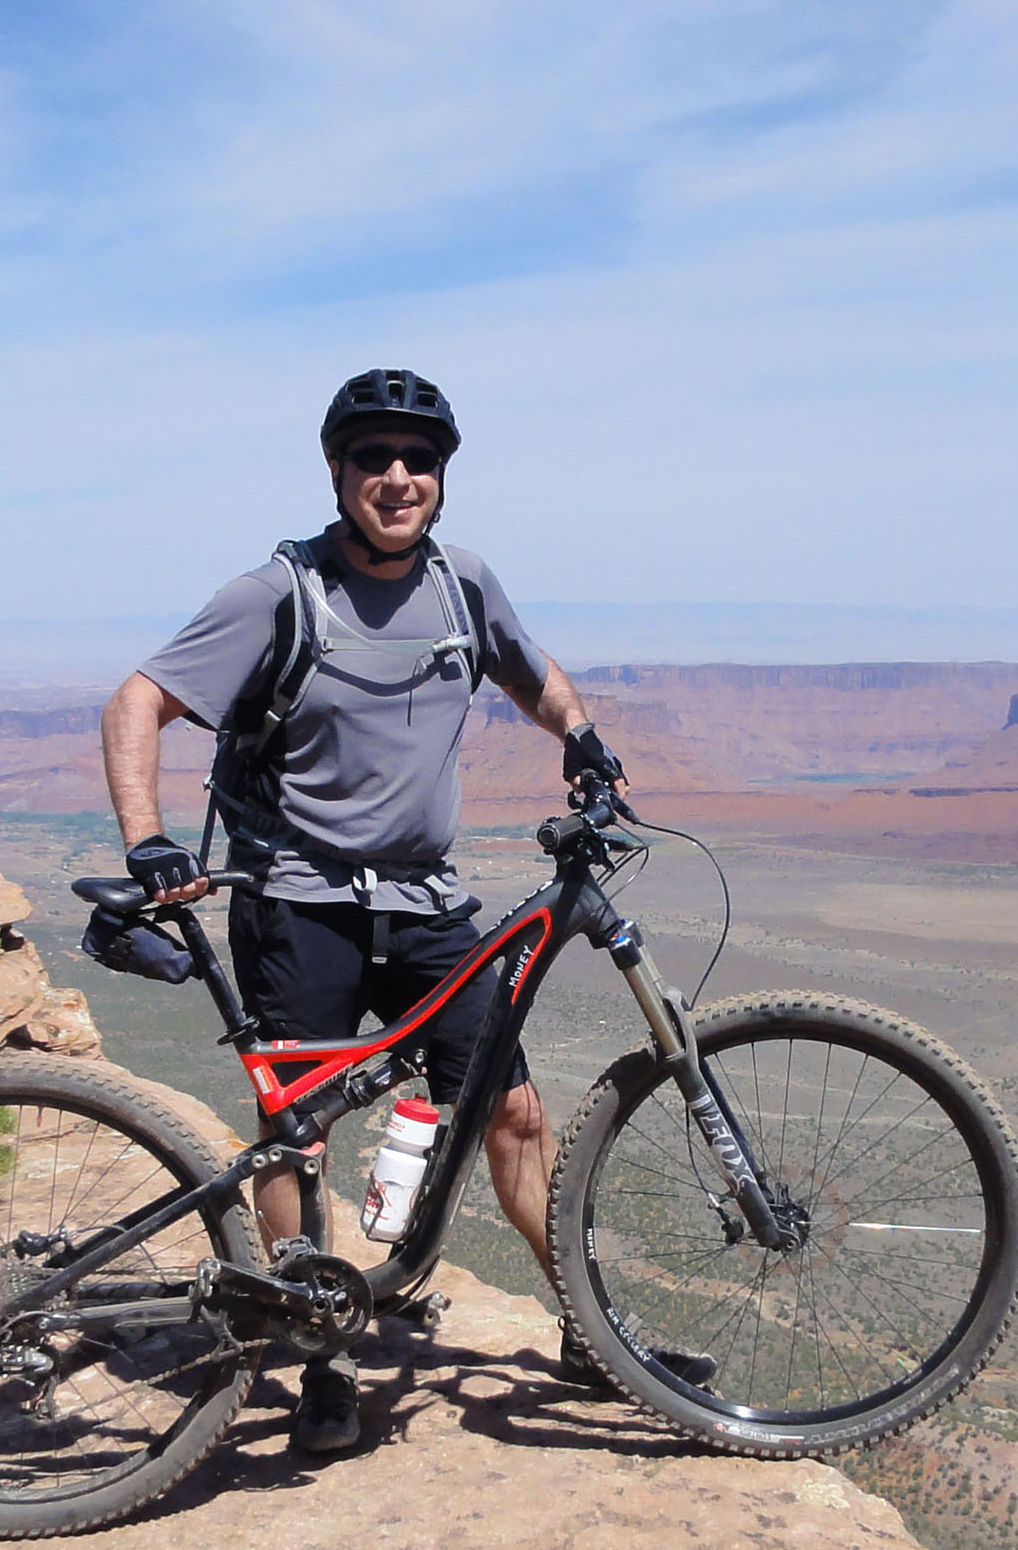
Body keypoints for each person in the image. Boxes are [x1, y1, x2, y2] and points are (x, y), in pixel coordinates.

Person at [99, 368, 626, 1456]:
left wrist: (576, 730)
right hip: (301, 905)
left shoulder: (462, 585)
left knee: (512, 1112)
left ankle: (592, 1326)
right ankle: (320, 1362)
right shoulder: (279, 593)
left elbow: (530, 675)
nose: (398, 478)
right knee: (302, 1135)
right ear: (337, 472)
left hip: (428, 905)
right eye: (374, 459)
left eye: (418, 461)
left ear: (441, 477)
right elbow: (138, 699)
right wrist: (146, 840)